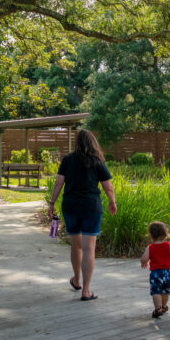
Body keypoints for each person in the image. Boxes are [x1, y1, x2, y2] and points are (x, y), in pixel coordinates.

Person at [48, 128, 117, 301]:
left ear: (77, 143)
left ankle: (77, 280)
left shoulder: (68, 160)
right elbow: (108, 186)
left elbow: (58, 183)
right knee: (89, 248)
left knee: (76, 245)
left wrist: (52, 203)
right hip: (91, 207)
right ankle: (86, 290)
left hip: (70, 206)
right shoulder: (97, 161)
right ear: (93, 142)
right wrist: (112, 201)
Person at [139, 221, 170, 318]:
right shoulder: (168, 245)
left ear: (151, 236)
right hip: (167, 273)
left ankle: (158, 308)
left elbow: (143, 259)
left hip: (155, 274)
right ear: (165, 234)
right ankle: (163, 306)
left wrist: (144, 262)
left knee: (156, 291)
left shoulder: (150, 247)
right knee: (165, 291)